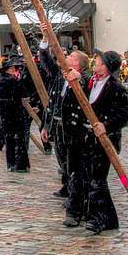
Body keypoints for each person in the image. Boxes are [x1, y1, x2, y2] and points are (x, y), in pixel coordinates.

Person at [64, 49, 128, 235]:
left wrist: (107, 125)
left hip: (105, 142)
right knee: (92, 179)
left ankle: (96, 220)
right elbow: (81, 99)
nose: (95, 62)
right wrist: (75, 81)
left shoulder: (115, 87)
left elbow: (127, 115)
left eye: (99, 60)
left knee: (97, 181)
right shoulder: (92, 81)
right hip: (88, 140)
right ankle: (110, 219)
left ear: (106, 66)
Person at [41, 49, 91, 200]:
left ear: (76, 63)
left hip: (72, 126)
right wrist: (45, 125)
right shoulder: (60, 74)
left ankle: (74, 191)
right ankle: (66, 184)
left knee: (72, 161)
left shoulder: (84, 78)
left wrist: (79, 78)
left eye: (71, 56)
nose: (67, 57)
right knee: (61, 156)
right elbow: (46, 61)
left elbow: (87, 82)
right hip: (57, 123)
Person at [0, 56, 32, 173]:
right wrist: (19, 81)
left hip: (5, 113)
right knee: (19, 138)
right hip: (14, 112)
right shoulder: (12, 81)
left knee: (9, 138)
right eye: (15, 68)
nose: (16, 70)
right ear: (9, 69)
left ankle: (11, 163)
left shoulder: (0, 80)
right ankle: (20, 165)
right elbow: (24, 93)